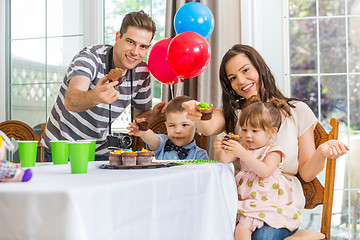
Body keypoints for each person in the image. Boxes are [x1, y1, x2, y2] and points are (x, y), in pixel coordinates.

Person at [182, 44, 349, 239]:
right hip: (241, 201)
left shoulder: (297, 111)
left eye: (245, 70)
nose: (241, 81)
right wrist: (198, 113)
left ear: (260, 69)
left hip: (278, 204)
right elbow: (208, 126)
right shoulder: (235, 114)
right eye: (233, 78)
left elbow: (307, 172)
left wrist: (321, 152)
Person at [40, 10, 166, 161]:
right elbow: (71, 101)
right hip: (62, 149)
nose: (135, 52)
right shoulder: (90, 57)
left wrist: (153, 115)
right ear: (118, 37)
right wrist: (95, 96)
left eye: (143, 46)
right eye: (130, 42)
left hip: (100, 153)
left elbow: (140, 116)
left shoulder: (142, 72)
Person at [215, 97, 302, 240]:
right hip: (248, 205)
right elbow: (224, 160)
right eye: (244, 130)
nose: (248, 135)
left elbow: (265, 171)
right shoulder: (244, 147)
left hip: (269, 205)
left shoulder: (273, 151)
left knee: (245, 231)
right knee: (237, 230)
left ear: (272, 132)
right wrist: (219, 149)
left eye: (255, 130)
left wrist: (243, 153)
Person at [127, 96, 209, 160]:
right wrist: (144, 132)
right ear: (166, 126)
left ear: (197, 127)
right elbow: (153, 140)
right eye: (172, 125)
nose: (177, 131)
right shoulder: (163, 143)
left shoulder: (200, 155)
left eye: (184, 125)